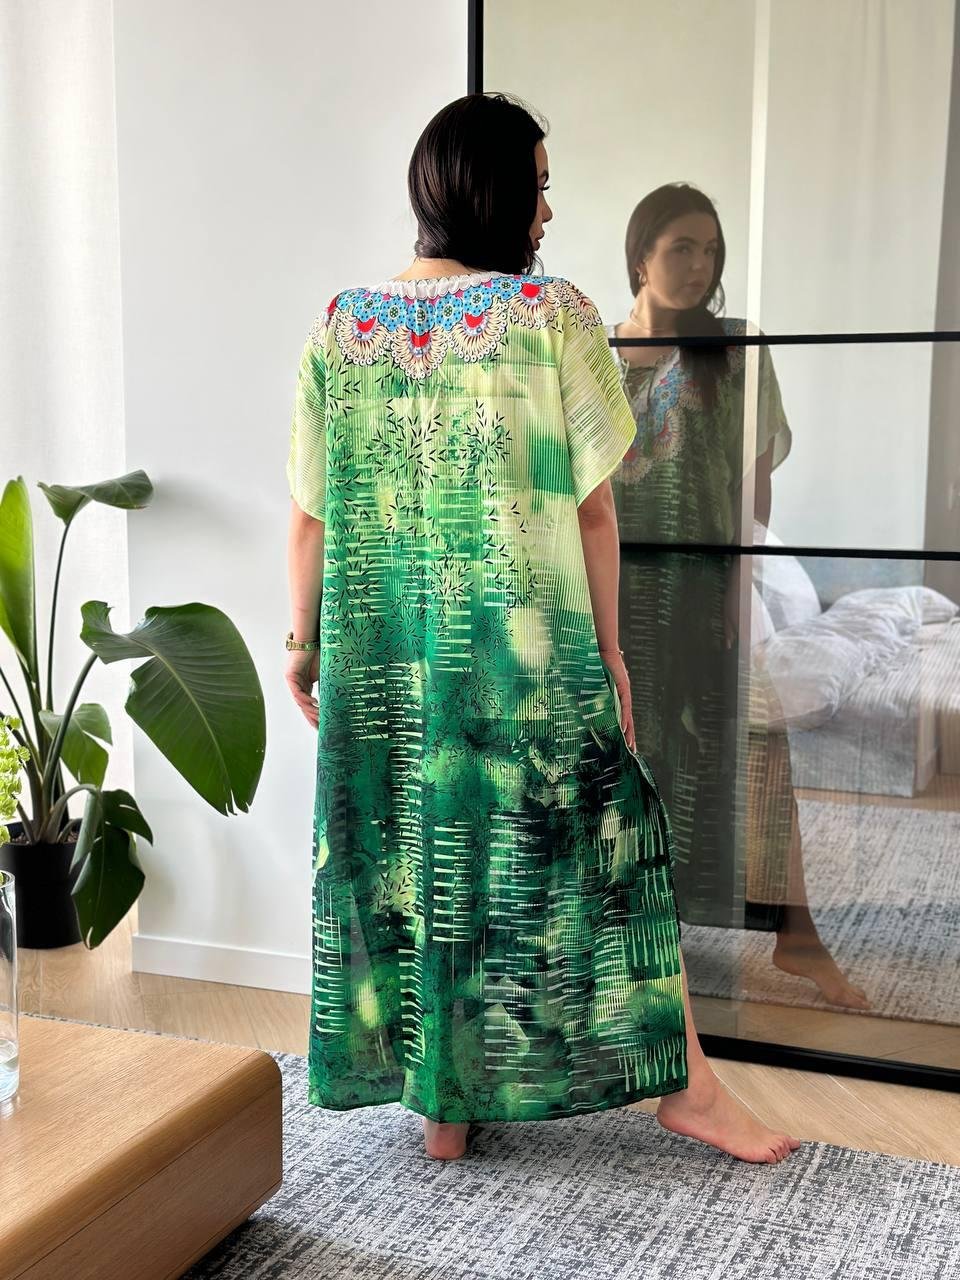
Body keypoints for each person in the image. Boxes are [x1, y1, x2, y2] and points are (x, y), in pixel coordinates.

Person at [284, 95, 801, 1164]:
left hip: (389, 664)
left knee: (425, 847)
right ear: (494, 190)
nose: (548, 210)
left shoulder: (341, 324)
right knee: (611, 849)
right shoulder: (551, 313)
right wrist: (608, 655)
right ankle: (688, 1088)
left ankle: (445, 1106)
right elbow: (595, 507)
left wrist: (302, 644)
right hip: (526, 657)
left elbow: (309, 515)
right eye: (540, 185)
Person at [607, 182, 868, 1009]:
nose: (701, 264)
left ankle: (798, 937)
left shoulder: (736, 350)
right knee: (631, 767)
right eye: (682, 247)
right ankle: (649, 946)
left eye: (711, 249)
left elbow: (754, 491)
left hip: (702, 592)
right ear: (641, 256)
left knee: (746, 756)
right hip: (615, 598)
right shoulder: (592, 357)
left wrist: (736, 584)